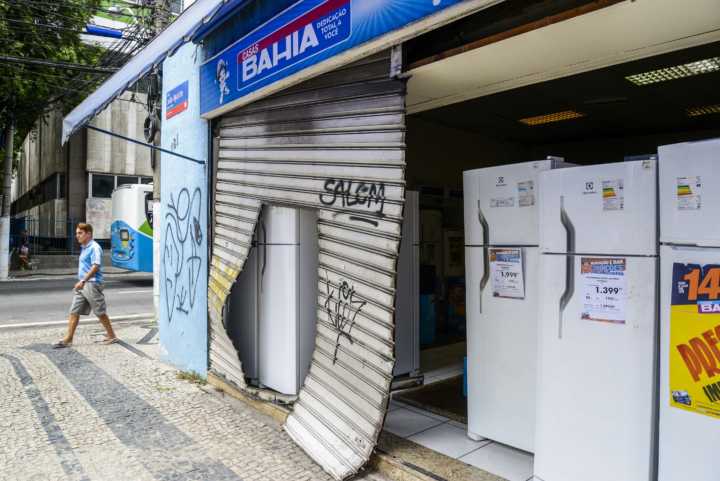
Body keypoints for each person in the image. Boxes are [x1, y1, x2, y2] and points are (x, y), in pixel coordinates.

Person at [53, 223, 118, 348]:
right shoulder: (85, 247)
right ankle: (68, 339)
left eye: (80, 233)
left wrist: (83, 281)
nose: (77, 236)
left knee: (100, 312)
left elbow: (96, 265)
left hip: (92, 284)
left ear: (88, 234)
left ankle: (112, 335)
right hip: (83, 285)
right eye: (77, 233)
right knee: (74, 311)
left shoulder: (94, 247)